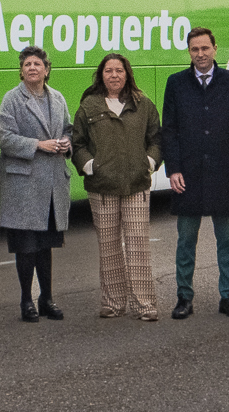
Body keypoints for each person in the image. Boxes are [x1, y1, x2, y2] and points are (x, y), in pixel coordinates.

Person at [161, 27, 229, 319]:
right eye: (194, 50)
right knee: (186, 240)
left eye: (204, 48)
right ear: (189, 52)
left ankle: (228, 297)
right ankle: (184, 297)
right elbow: (169, 131)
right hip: (187, 174)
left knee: (226, 240)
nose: (200, 54)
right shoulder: (175, 83)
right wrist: (172, 169)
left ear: (215, 49)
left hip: (224, 173)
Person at [70, 52, 163, 321]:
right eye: (108, 71)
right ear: (101, 75)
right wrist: (90, 166)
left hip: (136, 184)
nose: (114, 75)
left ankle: (145, 305)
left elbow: (156, 139)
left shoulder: (143, 104)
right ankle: (113, 303)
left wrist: (149, 162)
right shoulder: (89, 106)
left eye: (119, 70)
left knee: (138, 246)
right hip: (101, 186)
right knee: (108, 246)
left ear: (127, 74)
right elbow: (78, 143)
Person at [0, 44, 72, 323]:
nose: (32, 68)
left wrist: (67, 144)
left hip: (51, 185)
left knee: (46, 246)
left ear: (47, 70)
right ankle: (26, 301)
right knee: (26, 247)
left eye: (37, 64)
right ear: (21, 71)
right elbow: (3, 137)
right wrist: (38, 144)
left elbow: (68, 129)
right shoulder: (11, 99)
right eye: (27, 64)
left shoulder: (58, 98)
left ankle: (46, 299)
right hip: (23, 187)